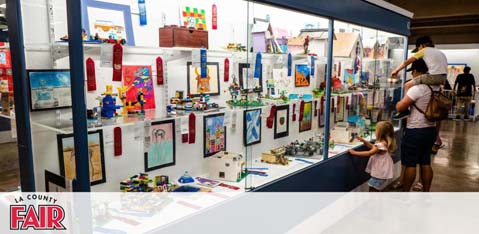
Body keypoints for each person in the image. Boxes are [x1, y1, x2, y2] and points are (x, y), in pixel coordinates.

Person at [396, 59, 439, 192]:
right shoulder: (436, 87)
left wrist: (402, 98)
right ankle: (426, 192)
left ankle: (405, 194)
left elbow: (400, 107)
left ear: (415, 71)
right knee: (425, 162)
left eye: (412, 72)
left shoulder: (417, 89)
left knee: (411, 164)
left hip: (415, 130)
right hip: (430, 129)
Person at [390, 36, 448, 120]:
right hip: (443, 79)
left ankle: (405, 110)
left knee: (407, 85)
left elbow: (407, 62)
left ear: (422, 45)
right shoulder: (440, 52)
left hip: (433, 77)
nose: (419, 50)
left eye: (418, 48)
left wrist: (396, 70)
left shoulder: (424, 50)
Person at [348, 121, 396, 192]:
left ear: (380, 133)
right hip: (380, 172)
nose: (375, 131)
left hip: (379, 174)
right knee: (374, 190)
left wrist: (354, 152)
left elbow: (369, 153)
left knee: (373, 191)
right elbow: (373, 147)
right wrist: (364, 141)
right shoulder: (383, 142)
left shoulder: (381, 144)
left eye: (376, 130)